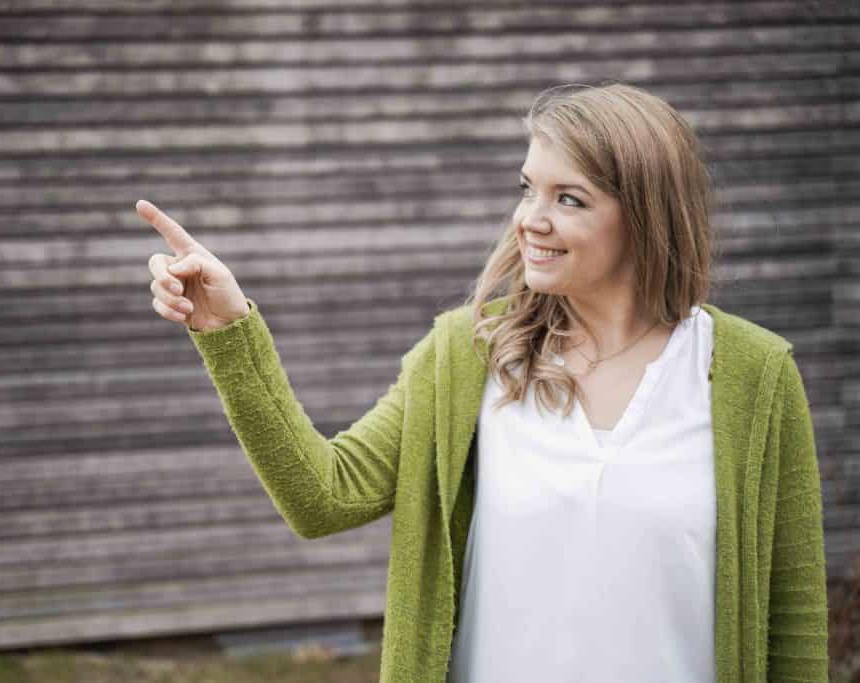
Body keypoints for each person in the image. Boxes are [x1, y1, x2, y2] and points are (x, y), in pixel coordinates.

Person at [137, 82, 829, 682]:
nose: (532, 218)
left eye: (570, 198)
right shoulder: (467, 357)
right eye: (528, 187)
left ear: (646, 217)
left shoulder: (752, 376)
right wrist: (228, 330)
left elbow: (794, 620)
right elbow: (323, 494)